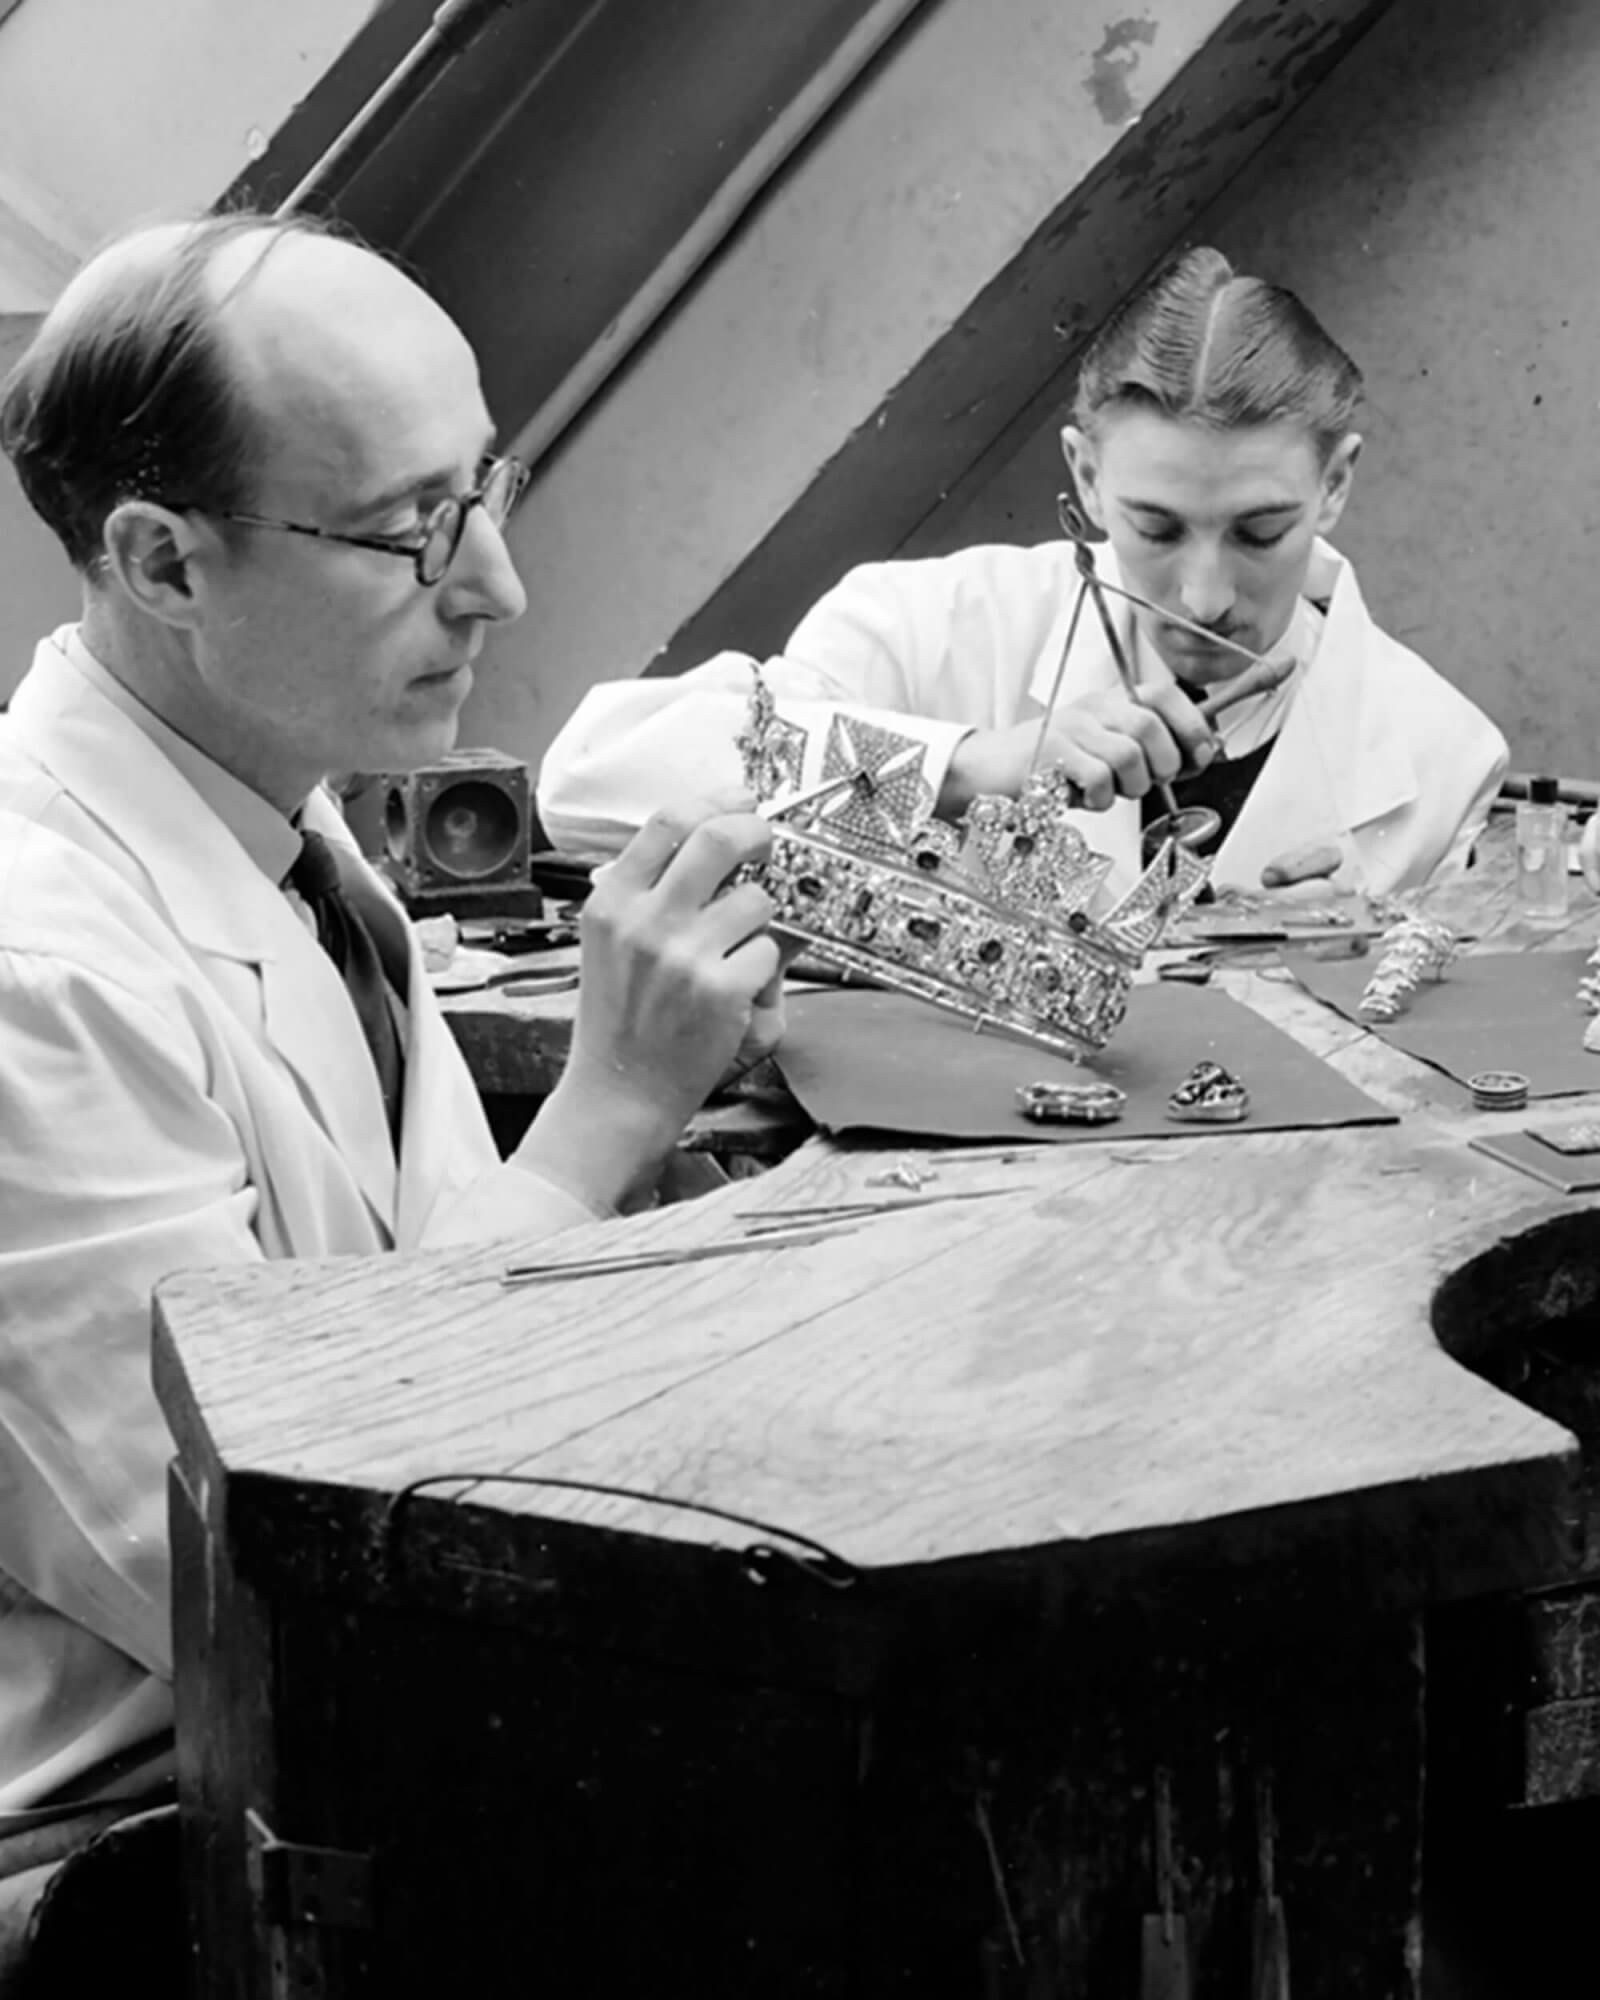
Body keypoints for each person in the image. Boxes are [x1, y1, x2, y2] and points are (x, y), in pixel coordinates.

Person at [0, 212, 782, 1818]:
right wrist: (605, 1114)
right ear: (163, 563)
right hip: (161, 1841)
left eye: (482, 487)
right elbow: (256, 1586)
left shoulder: (278, 810)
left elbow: (400, 1279)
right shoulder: (36, 976)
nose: (497, 583)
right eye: (412, 529)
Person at [540, 247, 1508, 899]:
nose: (1204, 596)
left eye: (1259, 532)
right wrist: (962, 768)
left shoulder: (1442, 755)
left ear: (1335, 483)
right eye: (1156, 527)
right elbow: (591, 781)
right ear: (1085, 476)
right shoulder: (932, 626)